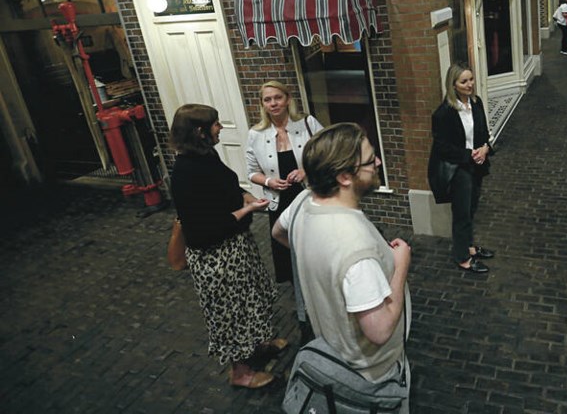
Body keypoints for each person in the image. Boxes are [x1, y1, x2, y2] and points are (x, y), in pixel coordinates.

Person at [272, 123, 411, 410]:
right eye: (371, 159)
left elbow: (278, 232)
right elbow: (380, 330)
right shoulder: (355, 247)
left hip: (329, 344)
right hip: (371, 373)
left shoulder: (301, 203)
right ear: (345, 176)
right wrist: (401, 266)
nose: (378, 162)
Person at [169, 104, 284, 389]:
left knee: (251, 300)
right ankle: (241, 373)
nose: (221, 127)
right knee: (231, 313)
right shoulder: (184, 173)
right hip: (216, 256)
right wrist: (248, 211)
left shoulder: (208, 155)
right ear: (199, 131)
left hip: (235, 246)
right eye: (216, 124)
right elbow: (205, 227)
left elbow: (228, 187)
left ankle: (256, 346)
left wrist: (246, 198)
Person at [245, 81, 323, 283]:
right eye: (267, 99)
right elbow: (252, 172)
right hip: (278, 200)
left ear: (288, 99)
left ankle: (318, 277)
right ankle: (297, 289)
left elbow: (328, 153)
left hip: (309, 194)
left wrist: (306, 170)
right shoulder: (256, 134)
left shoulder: (307, 123)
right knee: (285, 244)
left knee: (314, 241)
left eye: (278, 98)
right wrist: (269, 181)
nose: (273, 103)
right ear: (262, 104)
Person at [430, 63, 495, 273]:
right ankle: (462, 258)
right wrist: (469, 155)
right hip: (458, 168)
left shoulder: (477, 103)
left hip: (477, 165)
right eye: (464, 81)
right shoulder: (444, 113)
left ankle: (469, 247)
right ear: (454, 85)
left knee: (471, 208)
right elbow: (441, 147)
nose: (470, 85)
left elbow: (484, 132)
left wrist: (485, 148)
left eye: (471, 79)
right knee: (461, 214)